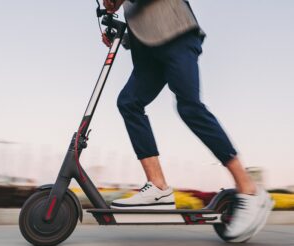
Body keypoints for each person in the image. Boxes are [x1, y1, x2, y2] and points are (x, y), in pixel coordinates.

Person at [102, 0, 273, 238]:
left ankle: (249, 188)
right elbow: (142, 21)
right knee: (129, 102)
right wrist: (120, 33)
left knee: (189, 107)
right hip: (148, 51)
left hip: (177, 34)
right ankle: (158, 186)